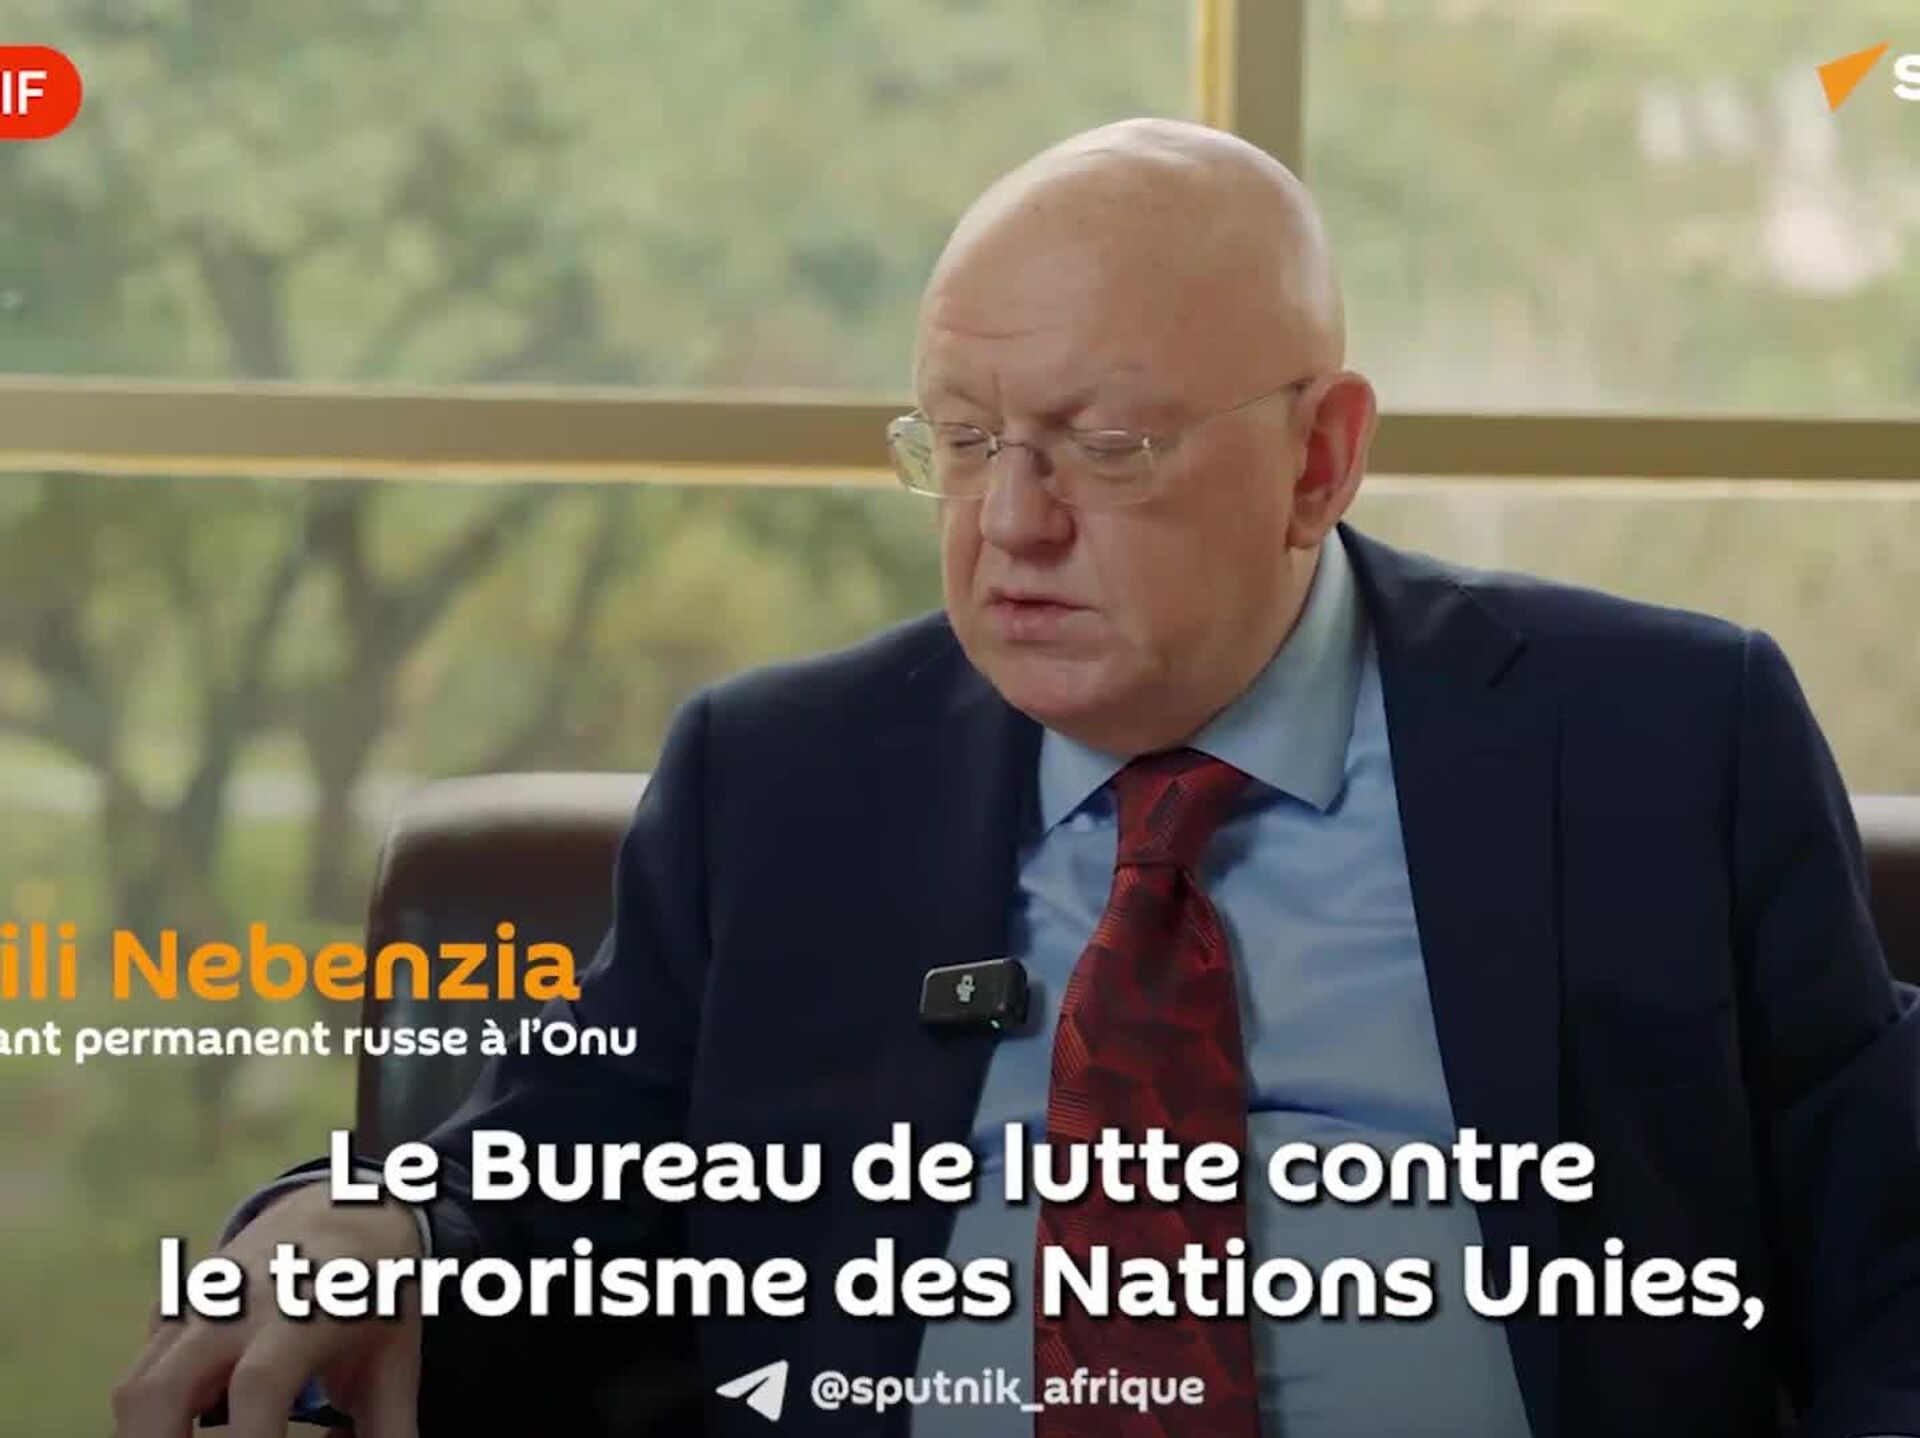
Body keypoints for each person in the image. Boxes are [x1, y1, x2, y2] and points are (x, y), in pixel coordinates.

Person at [114, 118, 1920, 1438]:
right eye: (963, 442)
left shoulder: (1663, 741)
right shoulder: (783, 784)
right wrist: (357, 1220)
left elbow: (1892, 1251)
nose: (1009, 526)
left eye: (1104, 447)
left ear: (1321, 458)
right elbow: (538, 1175)